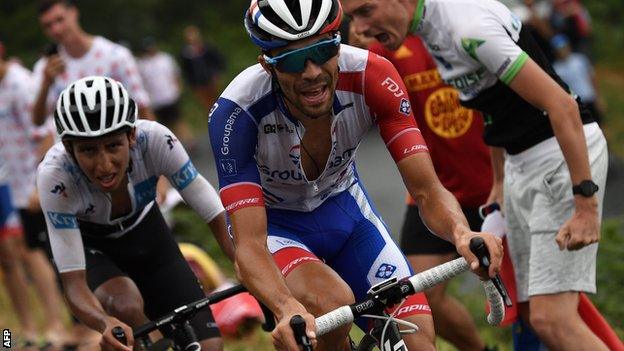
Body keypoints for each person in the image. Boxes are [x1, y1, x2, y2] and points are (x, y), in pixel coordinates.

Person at [209, 1, 503, 350]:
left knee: (418, 342)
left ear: (338, 42)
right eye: (290, 60)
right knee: (332, 306)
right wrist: (286, 308)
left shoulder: (373, 76)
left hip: (345, 213)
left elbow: (427, 190)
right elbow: (250, 244)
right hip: (277, 228)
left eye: (321, 50)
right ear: (266, 64)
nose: (312, 72)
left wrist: (461, 232)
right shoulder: (236, 113)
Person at [342, 0, 609, 350]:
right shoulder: (431, 28)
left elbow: (563, 105)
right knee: (535, 316)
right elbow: (493, 105)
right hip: (517, 163)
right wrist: (499, 181)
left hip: (555, 158)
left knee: (552, 318)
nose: (358, 28)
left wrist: (585, 204)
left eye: (365, 12)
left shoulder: (467, 30)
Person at [37, 76, 234, 351]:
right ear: (69, 149)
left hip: (147, 232)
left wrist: (244, 263)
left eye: (113, 146)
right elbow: (73, 283)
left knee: (210, 345)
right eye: (88, 150)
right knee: (125, 306)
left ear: (131, 135)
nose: (104, 165)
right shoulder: (54, 177)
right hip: (93, 247)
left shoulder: (156, 140)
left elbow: (215, 214)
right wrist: (104, 322)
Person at [368, 35, 496, 351]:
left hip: (493, 189)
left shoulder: (461, 25)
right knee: (418, 295)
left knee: (523, 295)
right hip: (434, 192)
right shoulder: (385, 38)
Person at [0, 40, 75, 349]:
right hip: (8, 183)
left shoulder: (20, 82)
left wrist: (36, 185)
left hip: (32, 185)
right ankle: (23, 334)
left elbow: (45, 133)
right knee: (9, 257)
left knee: (33, 254)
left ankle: (58, 326)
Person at [32, 0, 156, 128]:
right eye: (48, 26)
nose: (56, 29)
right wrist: (46, 84)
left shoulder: (116, 56)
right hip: (71, 147)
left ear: (73, 13)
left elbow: (142, 107)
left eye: (59, 20)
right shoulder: (46, 68)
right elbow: (37, 121)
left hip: (115, 143)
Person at [137, 37, 194, 145]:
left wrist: (178, 89)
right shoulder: (142, 65)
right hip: (155, 101)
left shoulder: (165, 58)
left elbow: (176, 74)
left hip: (170, 96)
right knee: (164, 126)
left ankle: (190, 142)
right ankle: (174, 145)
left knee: (178, 120)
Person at [551, 34, 604, 124]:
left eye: (564, 47)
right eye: (559, 49)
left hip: (590, 98)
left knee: (601, 126)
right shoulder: (556, 68)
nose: (562, 51)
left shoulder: (580, 59)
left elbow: (591, 78)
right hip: (577, 104)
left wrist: (598, 97)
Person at [180, 25, 226, 111]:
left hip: (211, 79)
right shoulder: (186, 53)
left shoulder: (207, 47)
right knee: (207, 105)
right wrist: (191, 83)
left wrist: (217, 74)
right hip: (198, 83)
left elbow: (218, 60)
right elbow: (186, 69)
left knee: (218, 100)